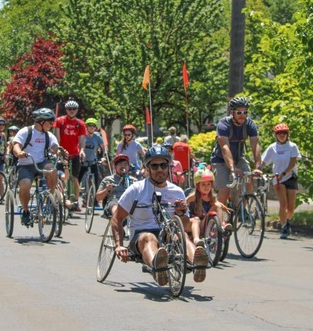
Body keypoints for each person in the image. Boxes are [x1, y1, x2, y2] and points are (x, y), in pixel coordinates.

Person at [111, 145, 209, 285]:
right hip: (141, 236)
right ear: (148, 168)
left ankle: (197, 263)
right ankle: (158, 268)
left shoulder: (177, 192)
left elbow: (186, 225)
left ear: (169, 167)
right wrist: (119, 245)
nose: (160, 170)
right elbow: (117, 218)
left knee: (181, 236)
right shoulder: (135, 190)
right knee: (149, 237)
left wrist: (181, 214)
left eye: (163, 165)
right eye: (155, 166)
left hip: (167, 234)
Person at [210, 96, 263, 206]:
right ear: (232, 112)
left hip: (239, 158)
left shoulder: (249, 124)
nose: (242, 115)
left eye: (245, 112)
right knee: (225, 191)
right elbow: (225, 148)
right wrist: (233, 168)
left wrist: (258, 166)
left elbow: (255, 145)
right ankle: (218, 220)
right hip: (220, 160)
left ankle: (242, 210)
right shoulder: (223, 125)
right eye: (239, 112)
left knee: (248, 181)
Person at [13, 108, 59, 225]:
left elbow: (55, 147)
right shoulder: (26, 132)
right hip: (26, 165)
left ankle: (50, 199)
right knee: (26, 185)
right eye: (49, 122)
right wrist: (19, 153)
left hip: (41, 162)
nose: (51, 125)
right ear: (41, 122)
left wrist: (60, 152)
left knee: (52, 169)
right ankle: (25, 211)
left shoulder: (49, 135)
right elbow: (16, 145)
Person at [261, 123, 302, 239]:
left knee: (291, 208)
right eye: (279, 133)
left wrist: (284, 173)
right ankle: (284, 226)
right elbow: (264, 162)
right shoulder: (272, 147)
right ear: (276, 135)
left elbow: (293, 162)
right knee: (283, 204)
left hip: (290, 177)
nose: (281, 135)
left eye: (284, 133)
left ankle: (287, 221)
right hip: (278, 179)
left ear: (287, 134)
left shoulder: (292, 146)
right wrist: (258, 169)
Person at [186, 168, 232, 246]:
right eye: (203, 184)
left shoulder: (212, 197)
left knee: (217, 206)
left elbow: (218, 204)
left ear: (211, 185)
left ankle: (221, 228)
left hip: (207, 223)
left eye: (208, 184)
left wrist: (223, 207)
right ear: (197, 186)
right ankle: (220, 228)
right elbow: (185, 203)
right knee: (216, 206)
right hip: (198, 224)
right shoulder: (194, 197)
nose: (206, 187)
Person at [54, 100, 86, 209]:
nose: (72, 111)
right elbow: (57, 138)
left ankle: (76, 202)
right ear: (66, 110)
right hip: (62, 153)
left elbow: (81, 141)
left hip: (74, 154)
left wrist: (82, 151)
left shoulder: (80, 124)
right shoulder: (60, 121)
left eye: (74, 109)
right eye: (69, 109)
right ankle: (61, 199)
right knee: (61, 178)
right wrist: (58, 150)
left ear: (77, 110)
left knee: (75, 178)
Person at [80, 117, 105, 193]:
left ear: (95, 128)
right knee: (79, 178)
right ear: (86, 126)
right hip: (83, 161)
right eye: (90, 125)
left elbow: (103, 148)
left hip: (93, 161)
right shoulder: (82, 136)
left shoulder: (97, 136)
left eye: (93, 126)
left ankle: (96, 199)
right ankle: (78, 196)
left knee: (96, 179)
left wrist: (103, 157)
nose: (91, 127)